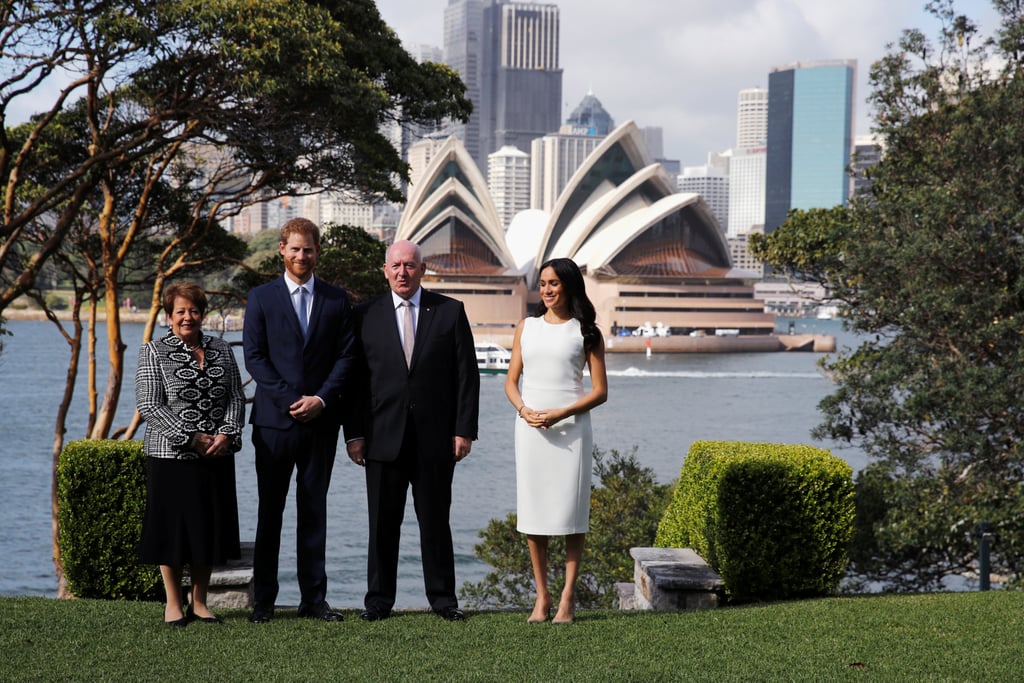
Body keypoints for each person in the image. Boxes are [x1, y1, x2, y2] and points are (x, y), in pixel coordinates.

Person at [344, 240, 480, 622]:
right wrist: (353, 434)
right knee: (382, 526)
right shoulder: (364, 315)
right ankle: (378, 602)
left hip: (436, 440)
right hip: (381, 438)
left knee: (436, 523)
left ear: (423, 270)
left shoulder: (450, 312)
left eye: (410, 265)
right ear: (385, 270)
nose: (403, 272)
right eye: (396, 265)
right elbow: (354, 382)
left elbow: (467, 377)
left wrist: (464, 430)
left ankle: (443, 601)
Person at [243, 217, 355, 623]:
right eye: (295, 249)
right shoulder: (261, 298)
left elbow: (347, 357)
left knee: (314, 513)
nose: (301, 256)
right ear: (282, 250)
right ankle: (264, 603)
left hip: (321, 425)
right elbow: (254, 356)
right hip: (274, 424)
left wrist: (321, 399)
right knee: (269, 512)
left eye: (308, 249)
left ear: (317, 251)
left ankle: (313, 601)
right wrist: (295, 400)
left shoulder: (336, 299)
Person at [504, 258, 608, 624]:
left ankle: (567, 598)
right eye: (543, 283)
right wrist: (524, 411)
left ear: (569, 286)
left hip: (571, 432)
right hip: (531, 431)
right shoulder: (526, 327)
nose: (547, 290)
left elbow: (600, 392)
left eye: (554, 283)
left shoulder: (587, 331)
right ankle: (542, 596)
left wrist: (559, 414)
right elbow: (511, 382)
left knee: (571, 515)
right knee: (534, 514)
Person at [135, 282, 245, 627]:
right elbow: (149, 404)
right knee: (172, 531)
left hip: (215, 455)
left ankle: (200, 603)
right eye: (180, 311)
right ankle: (173, 604)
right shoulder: (154, 351)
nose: (188, 317)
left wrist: (227, 433)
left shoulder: (221, 349)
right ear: (169, 317)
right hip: (170, 456)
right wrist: (191, 437)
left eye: (194, 311)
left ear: (203, 315)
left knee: (207, 529)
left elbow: (236, 397)